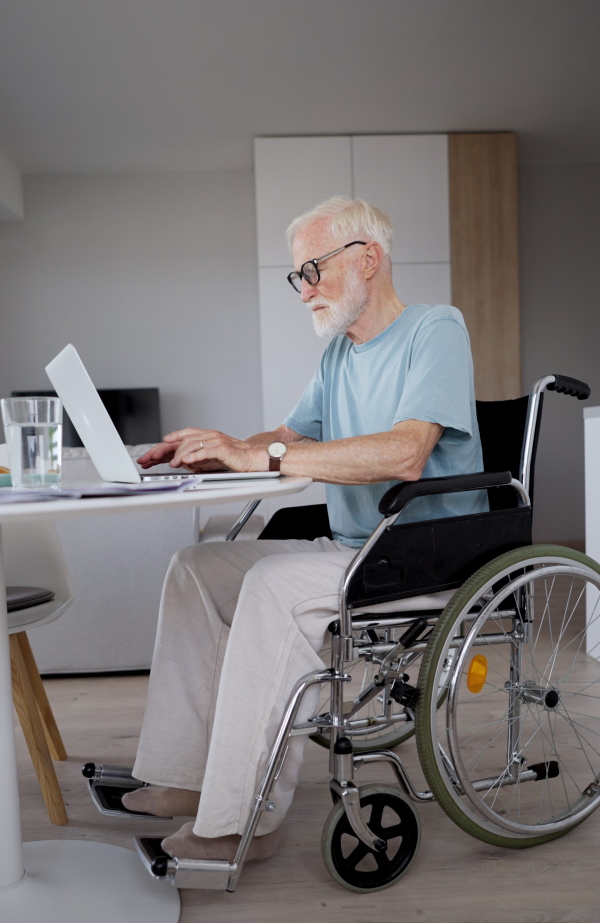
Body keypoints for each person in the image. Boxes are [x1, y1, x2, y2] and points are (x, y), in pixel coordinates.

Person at [122, 196, 487, 863]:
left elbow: (406, 452)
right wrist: (216, 445)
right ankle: (186, 776)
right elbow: (284, 440)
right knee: (195, 567)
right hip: (354, 549)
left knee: (269, 587)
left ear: (367, 259)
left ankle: (240, 820)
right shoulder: (339, 357)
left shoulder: (437, 329)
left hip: (420, 557)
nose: (304, 290)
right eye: (299, 276)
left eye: (312, 270)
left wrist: (264, 455)